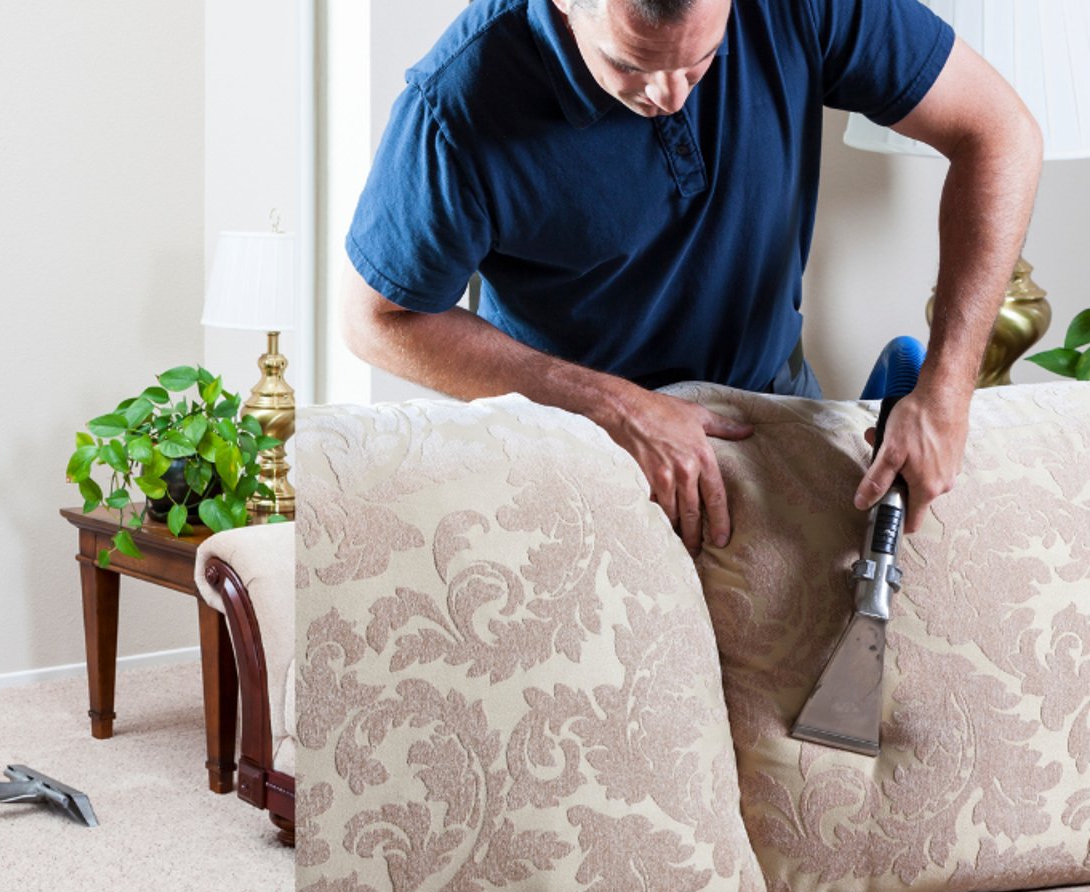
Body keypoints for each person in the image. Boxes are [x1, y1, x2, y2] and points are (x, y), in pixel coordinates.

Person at [342, 0, 1041, 555]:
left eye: (702, 61)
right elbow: (376, 320)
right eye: (631, 65)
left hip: (772, 408)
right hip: (583, 448)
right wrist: (612, 407)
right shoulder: (456, 104)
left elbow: (1000, 132)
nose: (670, 95)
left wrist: (946, 391)